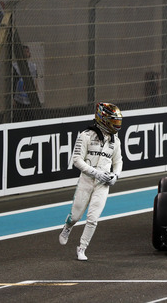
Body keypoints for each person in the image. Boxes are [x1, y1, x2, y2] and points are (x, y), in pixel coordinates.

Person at [58, 102, 123, 261]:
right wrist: (95, 172)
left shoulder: (115, 141)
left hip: (103, 185)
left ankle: (82, 248)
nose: (117, 125)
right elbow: (77, 160)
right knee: (76, 215)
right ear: (104, 120)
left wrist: (115, 176)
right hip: (86, 181)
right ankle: (67, 227)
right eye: (114, 121)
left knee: (93, 218)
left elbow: (118, 161)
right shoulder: (85, 135)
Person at [12, 45, 39, 121]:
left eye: (28, 51)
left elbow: (35, 81)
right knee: (18, 118)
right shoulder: (15, 66)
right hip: (18, 98)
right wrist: (13, 98)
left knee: (30, 117)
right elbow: (13, 83)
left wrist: (35, 93)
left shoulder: (33, 66)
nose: (29, 53)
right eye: (26, 51)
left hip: (29, 97)